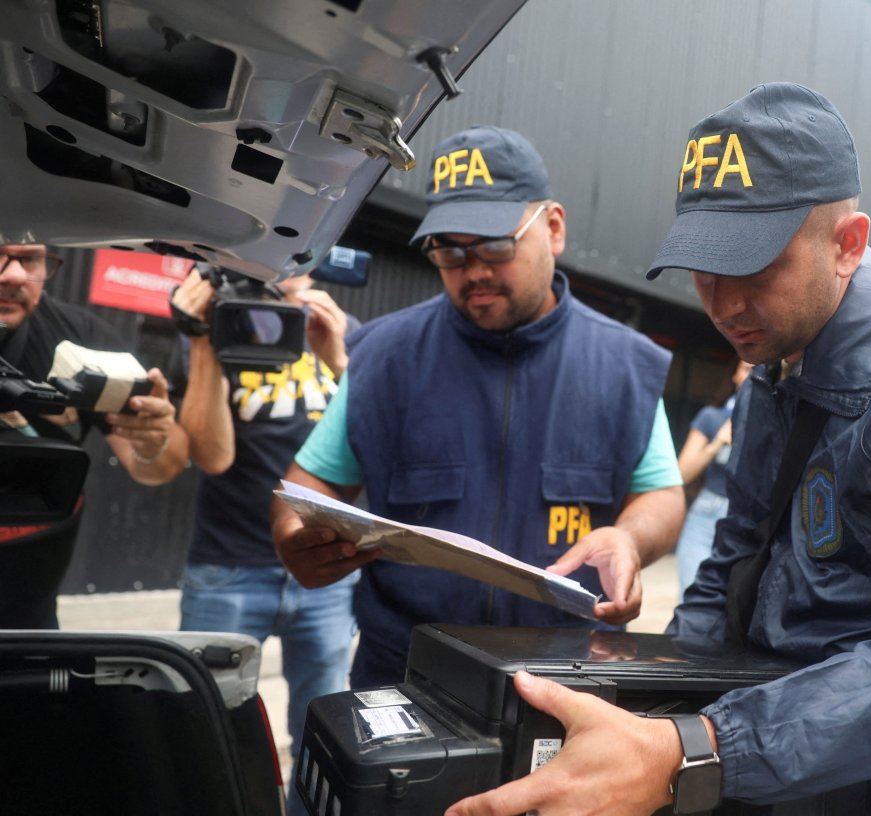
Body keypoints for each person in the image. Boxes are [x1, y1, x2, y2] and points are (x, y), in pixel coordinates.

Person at [444, 83, 871, 816]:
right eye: (703, 268)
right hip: (784, 781)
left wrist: (695, 749)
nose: (724, 304)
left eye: (754, 268)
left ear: (847, 244)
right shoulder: (774, 372)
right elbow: (735, 569)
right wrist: (647, 706)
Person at [270, 125, 686, 688]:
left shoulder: (621, 364)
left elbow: (660, 493)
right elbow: (306, 487)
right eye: (450, 251)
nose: (475, 271)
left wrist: (630, 539)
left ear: (554, 229)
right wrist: (297, 536)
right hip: (406, 678)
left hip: (564, 680)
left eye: (496, 245)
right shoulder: (385, 358)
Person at [169, 267, 359, 816]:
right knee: (205, 728)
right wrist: (204, 338)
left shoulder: (342, 333)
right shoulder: (223, 332)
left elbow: (376, 443)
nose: (281, 281)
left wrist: (342, 356)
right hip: (230, 566)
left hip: (325, 569)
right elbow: (213, 456)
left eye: (294, 267)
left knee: (321, 736)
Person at [0, 243, 187, 629]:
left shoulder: (79, 338)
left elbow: (154, 466)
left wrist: (154, 440)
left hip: (28, 610)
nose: (14, 275)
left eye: (30, 258)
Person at [674, 357, 752, 598]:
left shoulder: (776, 419)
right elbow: (681, 475)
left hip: (749, 519)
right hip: (706, 513)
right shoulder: (712, 417)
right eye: (746, 369)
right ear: (735, 375)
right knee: (691, 595)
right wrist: (716, 442)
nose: (752, 376)